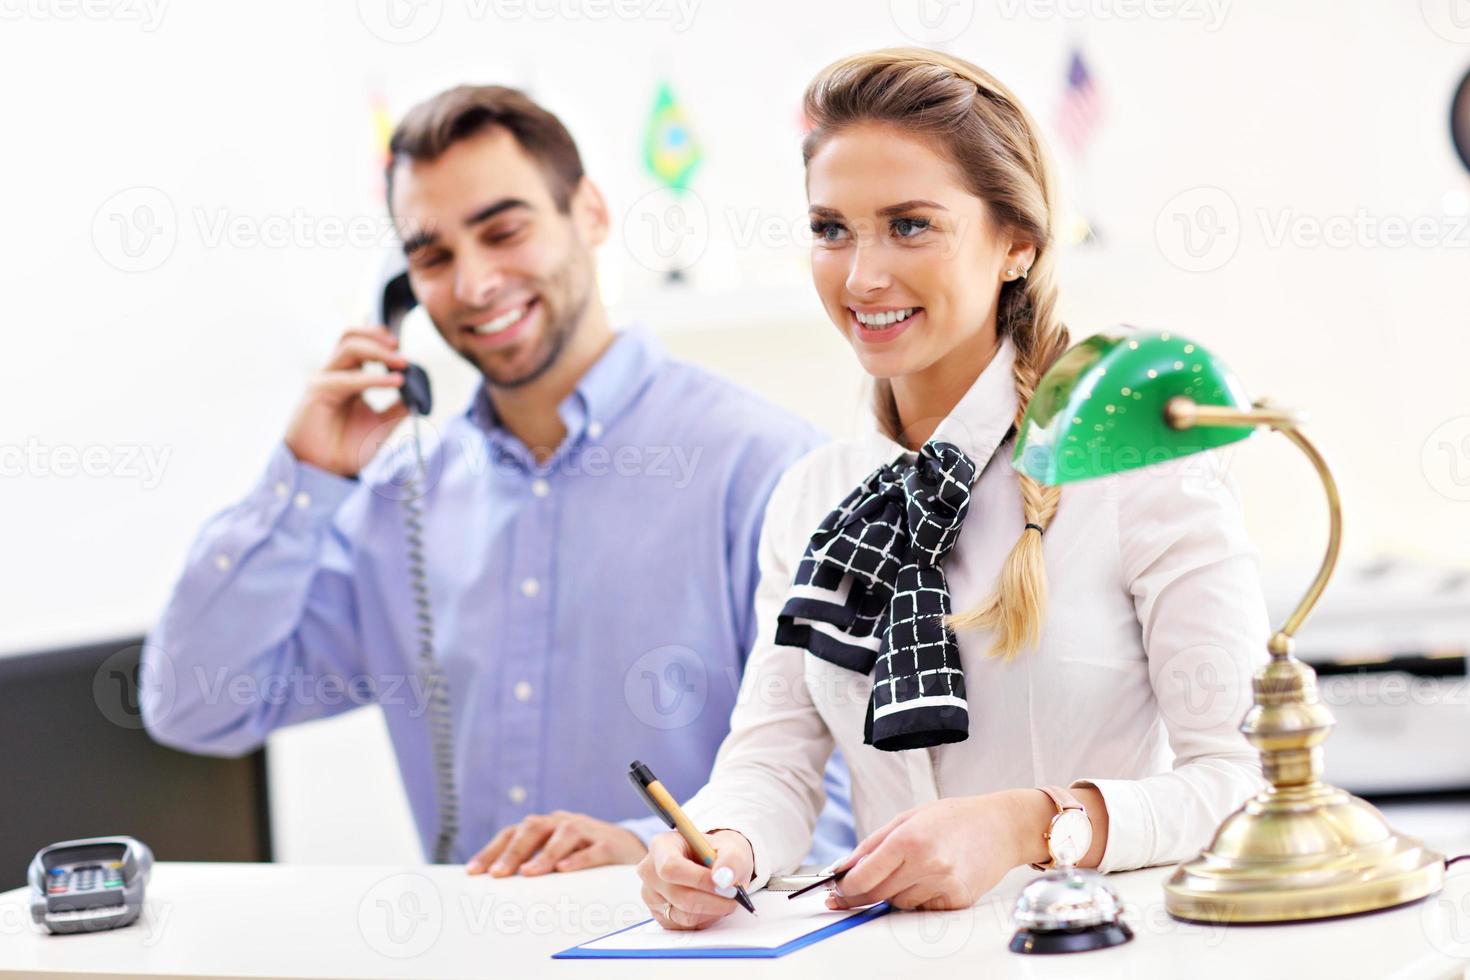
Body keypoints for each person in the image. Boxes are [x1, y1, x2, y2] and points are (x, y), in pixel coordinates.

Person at [141, 83, 852, 874]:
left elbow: (859, 804)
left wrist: (652, 849)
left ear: (588, 212)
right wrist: (304, 478)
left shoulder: (768, 468)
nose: (475, 284)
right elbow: (195, 706)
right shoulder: (395, 507)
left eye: (503, 230)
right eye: (432, 256)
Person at [636, 48, 1269, 928]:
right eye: (831, 229)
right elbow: (774, 760)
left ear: (1018, 243)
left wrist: (1026, 824)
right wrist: (716, 844)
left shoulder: (1136, 467)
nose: (861, 277)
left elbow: (1247, 781)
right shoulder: (811, 495)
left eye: (910, 225)